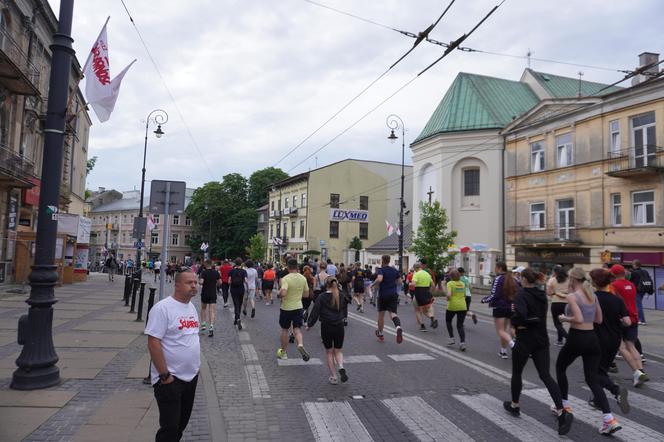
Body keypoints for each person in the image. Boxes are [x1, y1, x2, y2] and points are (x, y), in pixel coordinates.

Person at [503, 268, 573, 436]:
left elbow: (521, 314)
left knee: (517, 372)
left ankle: (515, 405)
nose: (519, 279)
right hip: (542, 339)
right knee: (545, 375)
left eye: (520, 277)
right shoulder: (542, 295)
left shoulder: (521, 294)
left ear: (525, 279)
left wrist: (513, 322)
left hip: (525, 339)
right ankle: (562, 411)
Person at [556, 267, 621, 435]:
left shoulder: (572, 296)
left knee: (560, 367)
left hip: (577, 337)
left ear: (572, 279)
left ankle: (564, 406)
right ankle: (609, 419)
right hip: (593, 339)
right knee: (592, 379)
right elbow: (598, 319)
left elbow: (577, 319)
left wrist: (564, 318)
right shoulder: (593, 295)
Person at [145, 270, 200, 441]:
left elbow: (191, 337)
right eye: (189, 282)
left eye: (195, 282)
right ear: (177, 285)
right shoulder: (163, 308)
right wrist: (165, 375)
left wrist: (196, 368)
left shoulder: (191, 306)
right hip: (170, 379)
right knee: (169, 428)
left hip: (190, 377)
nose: (194, 285)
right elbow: (153, 343)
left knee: (181, 424)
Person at [588, 268, 631, 414]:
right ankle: (597, 400)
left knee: (594, 373)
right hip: (614, 340)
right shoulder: (616, 299)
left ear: (594, 282)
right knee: (602, 370)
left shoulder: (592, 298)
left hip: (597, 340)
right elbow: (627, 321)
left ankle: (616, 390)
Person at [306, 276, 351, 384]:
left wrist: (310, 324)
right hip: (339, 326)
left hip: (326, 326)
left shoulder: (321, 297)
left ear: (326, 285)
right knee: (338, 350)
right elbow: (348, 301)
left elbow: (315, 311)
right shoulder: (340, 295)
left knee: (329, 352)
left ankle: (334, 376)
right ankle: (341, 366)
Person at [610, 264, 648, 387]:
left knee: (621, 347)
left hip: (621, 319)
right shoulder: (631, 284)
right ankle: (641, 371)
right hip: (633, 318)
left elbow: (614, 302)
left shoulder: (614, 286)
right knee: (631, 346)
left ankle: (636, 372)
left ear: (614, 274)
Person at [276, 259, 311, 361]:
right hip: (298, 307)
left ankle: (283, 352)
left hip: (286, 307)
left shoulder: (285, 279)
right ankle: (300, 344)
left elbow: (283, 293)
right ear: (297, 267)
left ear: (287, 267)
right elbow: (306, 294)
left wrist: (279, 294)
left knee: (285, 330)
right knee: (297, 329)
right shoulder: (303, 278)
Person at [481, 262, 517, 359]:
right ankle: (503, 351)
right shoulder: (514, 279)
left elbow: (494, 295)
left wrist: (484, 300)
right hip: (511, 308)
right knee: (508, 330)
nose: (495, 269)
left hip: (500, 307)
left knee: (501, 331)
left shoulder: (498, 279)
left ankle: (513, 345)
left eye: (495, 267)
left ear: (500, 268)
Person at [371, 255, 404, 344]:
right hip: (393, 294)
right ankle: (398, 327)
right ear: (389, 261)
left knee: (381, 315)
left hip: (383, 295)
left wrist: (372, 284)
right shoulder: (394, 270)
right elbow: (400, 282)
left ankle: (381, 334)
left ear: (382, 260)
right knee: (393, 314)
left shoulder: (380, 270)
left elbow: (380, 279)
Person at [410, 259, 439, 330]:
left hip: (418, 292)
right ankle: (432, 317)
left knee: (417, 310)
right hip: (427, 292)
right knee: (428, 307)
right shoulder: (427, 274)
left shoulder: (416, 274)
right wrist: (431, 292)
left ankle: (422, 326)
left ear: (416, 268)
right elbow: (433, 285)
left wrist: (410, 284)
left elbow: (413, 284)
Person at [546, 266, 569, 346]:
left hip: (556, 302)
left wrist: (554, 293)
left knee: (557, 323)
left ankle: (568, 338)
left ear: (555, 272)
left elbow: (548, 293)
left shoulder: (552, 280)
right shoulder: (568, 280)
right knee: (564, 321)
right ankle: (560, 340)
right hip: (567, 302)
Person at [445, 269, 468, 351]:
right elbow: (465, 295)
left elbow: (449, 294)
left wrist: (447, 298)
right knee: (460, 325)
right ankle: (462, 343)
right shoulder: (462, 283)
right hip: (462, 306)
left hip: (452, 306)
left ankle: (451, 338)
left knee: (448, 321)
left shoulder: (450, 283)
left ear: (451, 276)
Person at [198, 260, 220, 337]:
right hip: (213, 293)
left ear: (205, 264)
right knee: (212, 311)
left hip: (205, 293)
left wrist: (199, 280)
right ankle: (211, 327)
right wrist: (215, 283)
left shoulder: (203, 272)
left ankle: (203, 324)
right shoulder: (216, 272)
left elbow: (201, 282)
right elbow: (220, 282)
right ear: (212, 264)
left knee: (203, 308)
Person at [629, 259, 651, 325]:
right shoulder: (645, 271)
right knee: (638, 304)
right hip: (643, 290)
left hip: (637, 290)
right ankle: (640, 319)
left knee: (638, 305)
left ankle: (642, 320)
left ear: (635, 265)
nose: (632, 266)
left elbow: (630, 281)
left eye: (633, 264)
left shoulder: (634, 273)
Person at [228, 258, 248, 330]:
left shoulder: (231, 271)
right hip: (241, 289)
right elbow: (246, 281)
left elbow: (229, 281)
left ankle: (237, 318)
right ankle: (237, 318)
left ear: (235, 263)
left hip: (233, 289)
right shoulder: (244, 271)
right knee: (239, 304)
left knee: (235, 304)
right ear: (241, 263)